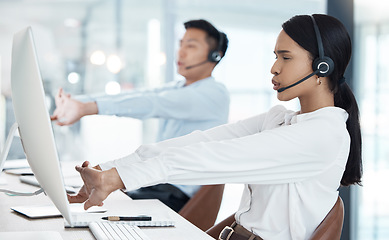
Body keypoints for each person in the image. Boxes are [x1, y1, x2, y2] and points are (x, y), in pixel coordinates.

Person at [68, 14, 362, 240]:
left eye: (286, 57)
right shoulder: (278, 119)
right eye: (275, 56)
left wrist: (120, 178)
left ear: (323, 66)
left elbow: (217, 158)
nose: (274, 68)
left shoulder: (323, 135)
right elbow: (196, 143)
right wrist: (107, 171)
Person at [52, 19, 230, 212]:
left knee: (96, 208)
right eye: (181, 44)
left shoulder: (213, 94)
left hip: (175, 194)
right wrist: (78, 102)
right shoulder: (178, 87)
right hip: (154, 184)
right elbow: (138, 95)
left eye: (191, 45)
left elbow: (152, 104)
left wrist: (85, 108)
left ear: (215, 55)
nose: (181, 52)